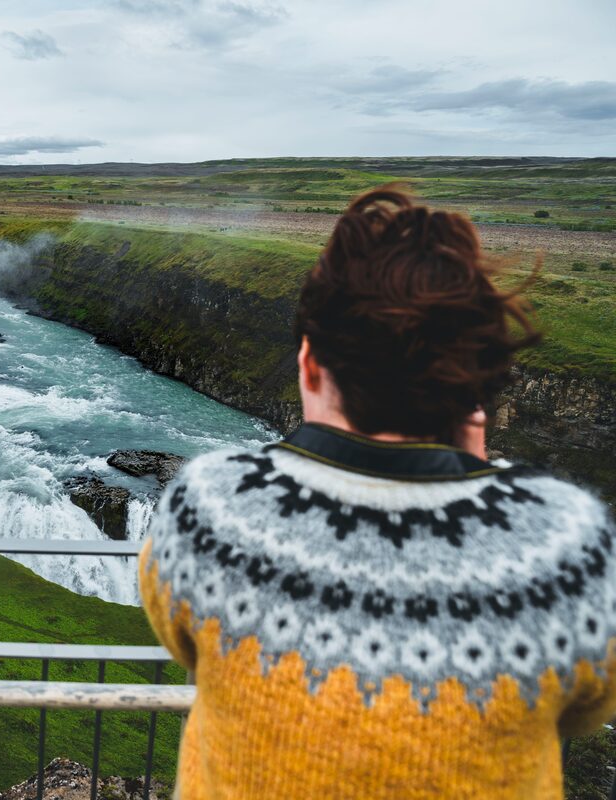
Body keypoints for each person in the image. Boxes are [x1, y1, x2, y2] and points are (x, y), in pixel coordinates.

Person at [139, 187, 616, 799]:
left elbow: (185, 641)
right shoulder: (565, 545)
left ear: (308, 364)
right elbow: (585, 707)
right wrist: (472, 476)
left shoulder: (210, 507)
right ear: (474, 388)